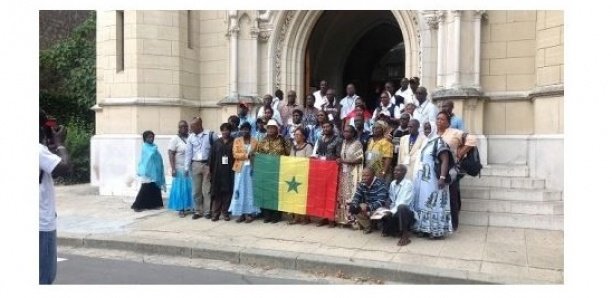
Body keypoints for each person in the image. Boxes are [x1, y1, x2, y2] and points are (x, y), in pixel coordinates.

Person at [39, 109, 72, 284]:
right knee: (44, 277)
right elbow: (65, 168)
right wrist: (60, 144)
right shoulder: (38, 151)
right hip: (41, 225)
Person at [412, 125, 454, 239]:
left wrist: (442, 177)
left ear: (434, 129)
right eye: (425, 128)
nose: (426, 130)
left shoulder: (439, 142)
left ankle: (435, 231)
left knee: (433, 202)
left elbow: (445, 160)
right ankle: (423, 228)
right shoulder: (426, 141)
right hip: (423, 179)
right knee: (423, 203)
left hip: (434, 180)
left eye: (428, 128)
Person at [254, 119, 291, 223]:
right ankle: (267, 215)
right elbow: (258, 154)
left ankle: (276, 216)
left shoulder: (283, 140)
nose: (270, 129)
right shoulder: (262, 140)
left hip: (279, 170)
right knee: (266, 193)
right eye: (269, 127)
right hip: (266, 171)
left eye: (272, 127)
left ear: (277, 129)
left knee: (276, 193)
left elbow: (289, 153)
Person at [436, 111, 467, 230]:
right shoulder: (434, 133)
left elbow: (471, 139)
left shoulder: (455, 132)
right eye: (438, 119)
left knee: (452, 197)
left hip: (450, 170)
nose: (439, 121)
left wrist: (461, 152)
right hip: (436, 169)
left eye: (442, 119)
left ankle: (454, 224)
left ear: (448, 122)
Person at [185, 117, 218, 220]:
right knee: (196, 190)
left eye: (193, 126)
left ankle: (208, 211)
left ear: (199, 125)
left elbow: (217, 149)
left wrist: (213, 165)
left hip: (207, 165)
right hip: (195, 164)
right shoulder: (190, 138)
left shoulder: (211, 135)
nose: (191, 128)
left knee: (206, 190)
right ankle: (198, 211)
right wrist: (186, 167)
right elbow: (188, 153)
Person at [229, 122, 260, 223]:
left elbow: (257, 154)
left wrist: (253, 155)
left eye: (247, 129)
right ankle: (240, 213)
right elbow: (235, 154)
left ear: (250, 130)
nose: (245, 131)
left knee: (249, 190)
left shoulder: (255, 141)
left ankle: (249, 213)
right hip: (240, 169)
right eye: (243, 129)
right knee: (239, 189)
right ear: (240, 130)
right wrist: (247, 155)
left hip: (251, 169)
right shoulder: (237, 141)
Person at [380, 165, 416, 246]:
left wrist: (391, 212)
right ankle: (393, 230)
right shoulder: (393, 183)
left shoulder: (408, 184)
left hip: (407, 214)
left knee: (401, 207)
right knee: (382, 206)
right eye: (395, 170)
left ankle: (405, 236)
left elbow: (403, 202)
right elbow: (392, 199)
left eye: (398, 171)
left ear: (404, 173)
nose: (395, 172)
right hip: (395, 211)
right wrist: (387, 206)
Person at [335, 125, 364, 227]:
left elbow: (359, 159)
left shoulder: (357, 144)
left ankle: (354, 222)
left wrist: (344, 161)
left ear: (353, 133)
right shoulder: (343, 143)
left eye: (349, 132)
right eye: (345, 131)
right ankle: (344, 220)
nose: (346, 133)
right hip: (344, 174)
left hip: (354, 174)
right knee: (343, 196)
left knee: (352, 196)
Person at [132, 130, 166, 212]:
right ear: (145, 138)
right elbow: (149, 156)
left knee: (155, 187)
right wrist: (154, 150)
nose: (151, 139)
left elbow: (158, 158)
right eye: (149, 137)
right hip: (147, 171)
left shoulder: (154, 146)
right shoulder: (145, 147)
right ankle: (138, 206)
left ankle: (154, 204)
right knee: (145, 188)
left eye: (152, 137)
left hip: (155, 170)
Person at [348, 167, 388, 234]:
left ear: (373, 176)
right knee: (352, 207)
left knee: (364, 207)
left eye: (367, 175)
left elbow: (381, 201)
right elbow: (356, 197)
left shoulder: (380, 184)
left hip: (380, 209)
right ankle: (368, 226)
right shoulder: (362, 184)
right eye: (363, 175)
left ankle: (377, 224)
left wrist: (368, 207)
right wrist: (355, 205)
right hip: (367, 208)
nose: (364, 177)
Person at [287, 127, 314, 225]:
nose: (295, 136)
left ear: (303, 136)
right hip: (294, 174)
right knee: (295, 196)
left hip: (304, 174)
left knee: (304, 196)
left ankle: (305, 217)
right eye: (295, 134)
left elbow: (309, 160)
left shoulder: (308, 146)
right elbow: (290, 159)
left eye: (298, 134)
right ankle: (296, 217)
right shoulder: (293, 147)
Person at [209, 123, 235, 221]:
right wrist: (210, 171)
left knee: (227, 192)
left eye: (227, 130)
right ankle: (216, 213)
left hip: (229, 170)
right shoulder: (217, 143)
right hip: (218, 171)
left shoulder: (234, 142)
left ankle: (225, 213)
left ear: (230, 131)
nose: (225, 132)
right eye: (223, 130)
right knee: (217, 192)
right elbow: (212, 157)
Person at [167, 120, 193, 218]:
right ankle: (181, 209)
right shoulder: (175, 139)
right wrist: (173, 168)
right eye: (182, 127)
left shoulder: (190, 137)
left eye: (186, 126)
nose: (184, 128)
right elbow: (170, 153)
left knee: (189, 188)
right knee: (180, 189)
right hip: (179, 167)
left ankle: (189, 206)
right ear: (179, 128)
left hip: (190, 167)